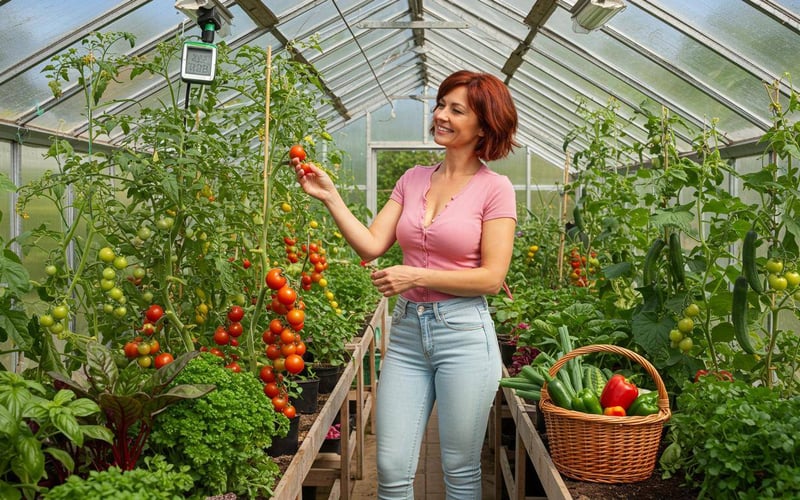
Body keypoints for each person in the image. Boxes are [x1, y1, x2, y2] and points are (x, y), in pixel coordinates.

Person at [293, 69, 518, 499]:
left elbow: (492, 278)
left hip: (465, 335)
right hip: (410, 333)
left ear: (485, 125)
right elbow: (373, 245)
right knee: (392, 466)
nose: (441, 116)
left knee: (459, 468)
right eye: (440, 105)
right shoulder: (413, 179)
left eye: (456, 110)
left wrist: (416, 275)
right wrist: (330, 197)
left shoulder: (496, 189)